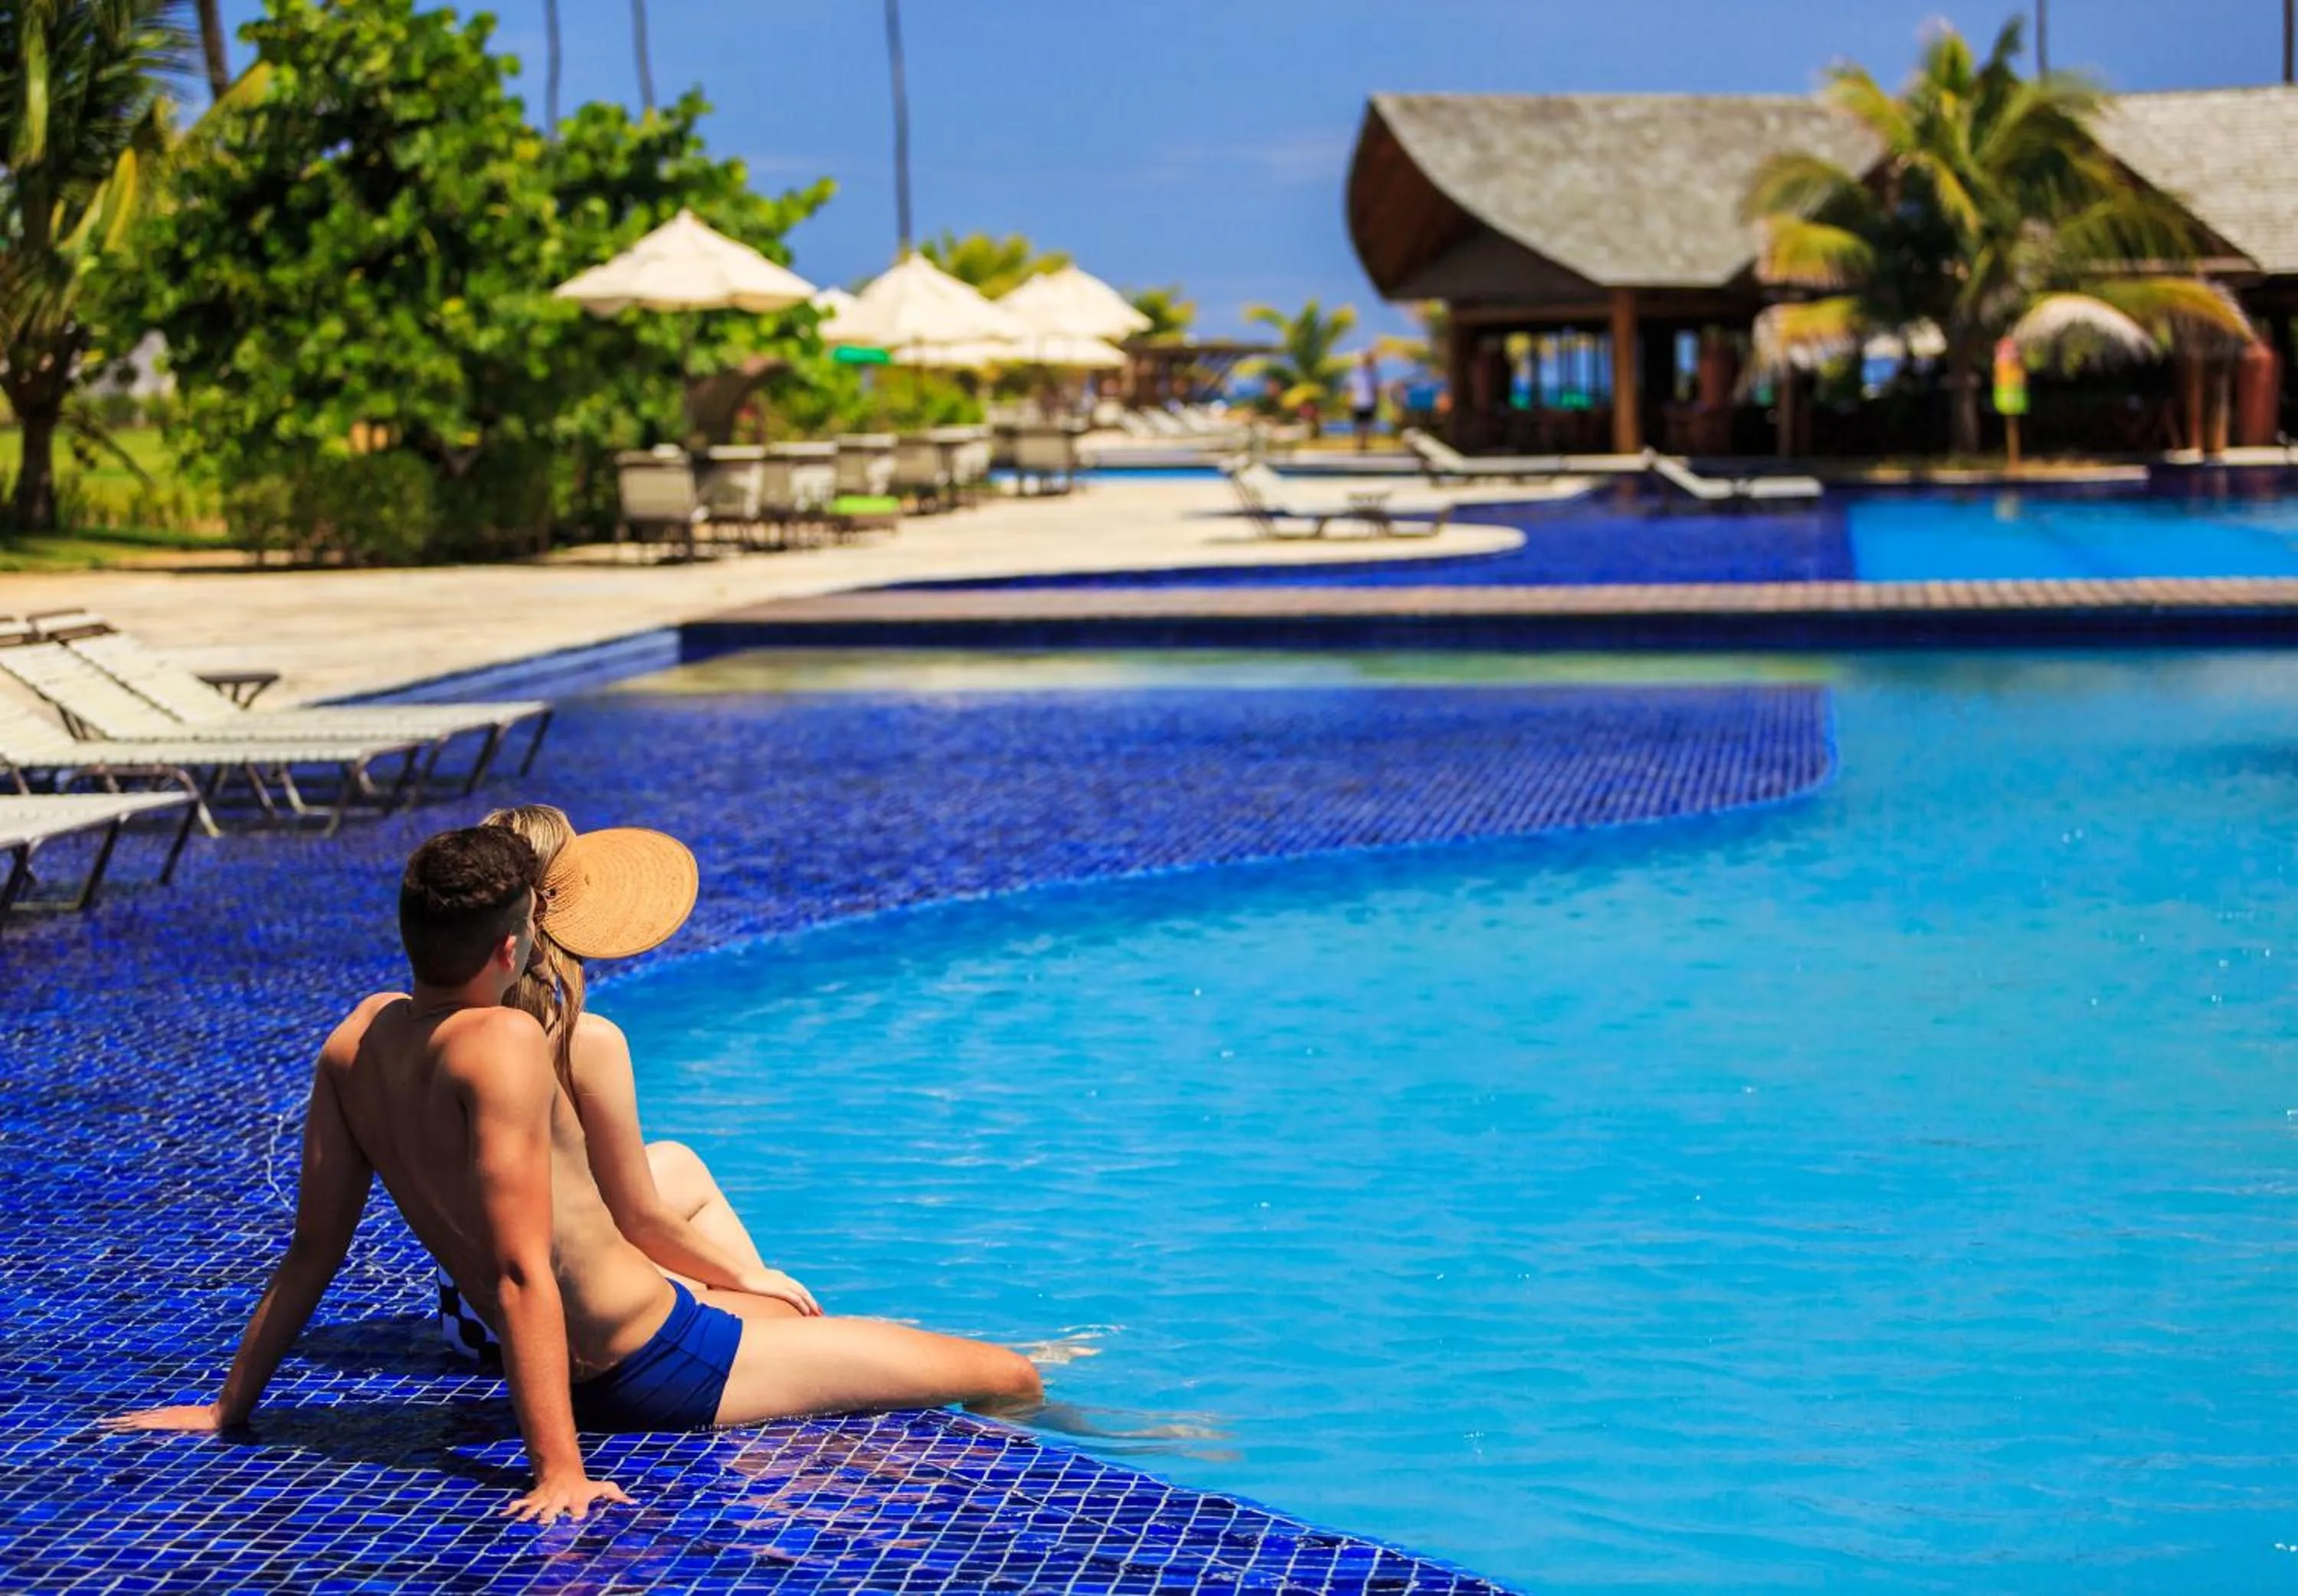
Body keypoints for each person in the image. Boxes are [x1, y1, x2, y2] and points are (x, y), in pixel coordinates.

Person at [105, 827, 1043, 1522]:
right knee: (1007, 1371)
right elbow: (524, 1269)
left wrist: (232, 1406)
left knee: (808, 1321)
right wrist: (557, 1466)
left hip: (615, 1347)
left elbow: (315, 1248)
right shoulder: (504, 1041)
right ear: (512, 949)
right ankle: (1095, 1412)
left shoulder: (355, 1039)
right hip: (657, 1359)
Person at [434, 806, 810, 1369]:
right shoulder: (582, 1041)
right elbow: (638, 1217)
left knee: (679, 1164)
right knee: (794, 1321)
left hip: (465, 1314)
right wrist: (751, 1278)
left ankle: (732, 1299)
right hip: (549, 1320)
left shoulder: (442, 1028)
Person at [1346, 351, 1381, 452]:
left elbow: (1375, 389)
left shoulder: (1368, 374)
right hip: (1360, 402)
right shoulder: (1358, 373)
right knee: (1361, 424)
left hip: (1365, 402)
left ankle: (1362, 443)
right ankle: (1361, 443)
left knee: (1364, 424)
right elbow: (1350, 388)